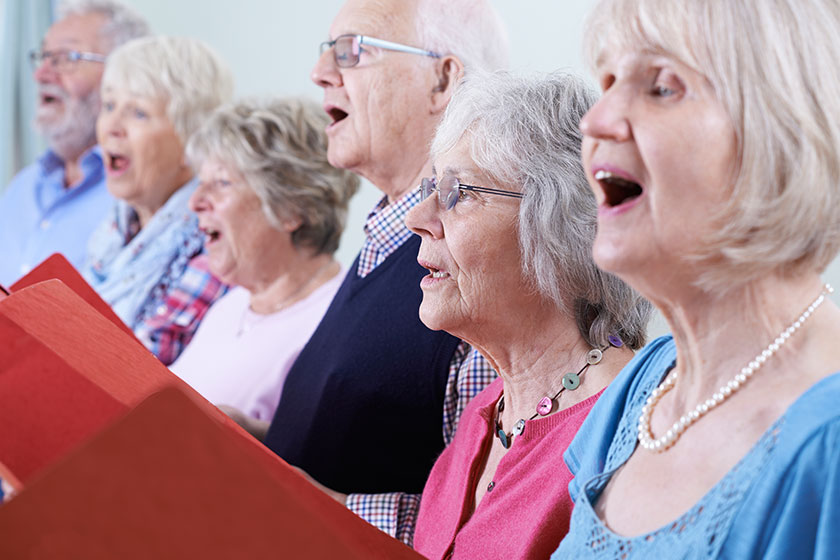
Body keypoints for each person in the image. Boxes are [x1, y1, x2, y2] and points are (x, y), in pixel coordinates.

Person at [553, 0, 840, 558]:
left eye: (661, 87)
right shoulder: (638, 390)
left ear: (777, 131)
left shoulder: (829, 440)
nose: (595, 120)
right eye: (608, 80)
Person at [261, 0, 507, 544]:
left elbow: (492, 521)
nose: (320, 72)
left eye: (351, 52)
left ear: (442, 80)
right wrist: (248, 441)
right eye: (327, 51)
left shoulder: (477, 272)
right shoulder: (382, 238)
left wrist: (327, 508)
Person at [404, 71, 651, 560]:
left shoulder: (626, 434)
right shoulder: (483, 416)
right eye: (432, 187)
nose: (417, 218)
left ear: (556, 227)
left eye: (457, 192)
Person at [169, 98, 360, 422]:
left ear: (291, 207)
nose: (196, 202)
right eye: (201, 183)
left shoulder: (336, 327)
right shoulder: (230, 307)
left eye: (221, 183)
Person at [83, 36, 232, 365]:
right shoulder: (111, 231)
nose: (112, 127)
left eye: (138, 112)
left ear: (191, 139)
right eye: (108, 106)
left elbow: (139, 370)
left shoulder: (212, 242)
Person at [0, 0, 148, 286]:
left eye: (66, 57)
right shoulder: (21, 187)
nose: (41, 74)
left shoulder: (140, 195)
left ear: (124, 76)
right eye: (43, 56)